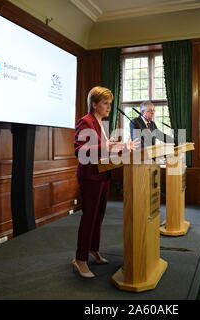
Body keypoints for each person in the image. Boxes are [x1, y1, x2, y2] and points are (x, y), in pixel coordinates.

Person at [73, 86, 138, 278]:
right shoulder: (85, 121)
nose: (109, 107)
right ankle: (80, 259)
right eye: (105, 103)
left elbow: (104, 150)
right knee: (89, 217)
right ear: (94, 104)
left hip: (103, 175)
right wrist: (109, 145)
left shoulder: (101, 123)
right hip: (90, 176)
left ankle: (93, 249)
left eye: (110, 103)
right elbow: (80, 150)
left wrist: (123, 147)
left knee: (98, 216)